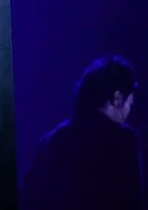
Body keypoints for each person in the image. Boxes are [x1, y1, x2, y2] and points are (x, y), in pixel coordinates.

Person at [21, 56, 144, 209]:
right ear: (117, 98)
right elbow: (132, 200)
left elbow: (30, 195)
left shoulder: (52, 141)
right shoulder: (125, 141)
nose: (129, 111)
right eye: (130, 103)